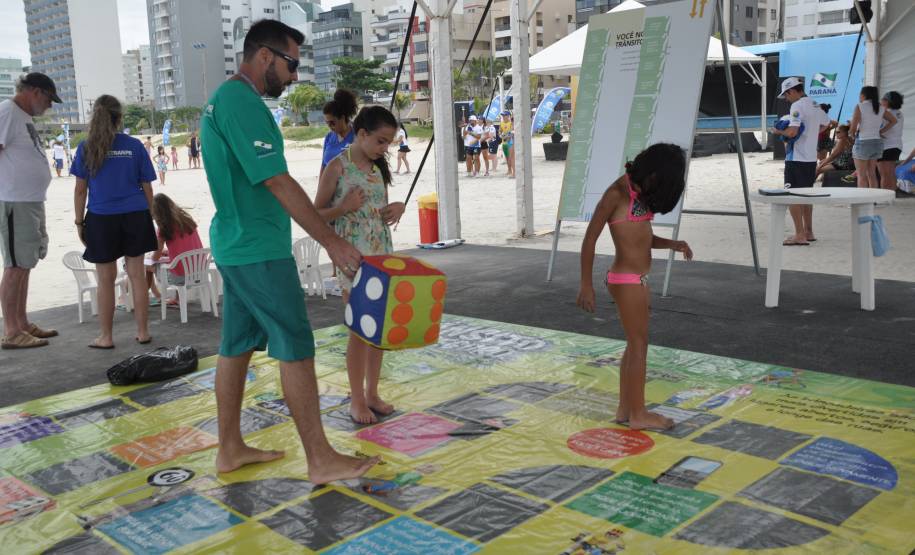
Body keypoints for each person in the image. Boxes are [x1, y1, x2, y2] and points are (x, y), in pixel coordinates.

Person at [200, 18, 376, 481]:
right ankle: (320, 459)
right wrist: (332, 241)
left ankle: (229, 448)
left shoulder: (225, 100)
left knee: (236, 346)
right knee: (296, 346)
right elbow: (278, 180)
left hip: (236, 243)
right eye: (292, 65)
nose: (295, 76)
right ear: (265, 56)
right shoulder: (240, 102)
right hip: (258, 249)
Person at [577, 143, 692, 431]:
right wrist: (585, 285)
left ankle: (626, 409)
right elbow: (589, 239)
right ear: (653, 174)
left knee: (634, 344)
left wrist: (673, 244)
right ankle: (639, 414)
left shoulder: (638, 191)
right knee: (639, 345)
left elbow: (642, 238)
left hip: (636, 279)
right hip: (626, 279)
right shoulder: (616, 194)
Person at [314, 105, 404, 424]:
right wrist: (343, 207)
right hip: (352, 258)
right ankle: (356, 398)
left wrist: (397, 208)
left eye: (388, 143)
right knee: (359, 331)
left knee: (377, 330)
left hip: (381, 255)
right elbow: (314, 214)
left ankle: (372, 393)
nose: (385, 148)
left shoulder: (378, 168)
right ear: (362, 134)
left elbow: (379, 208)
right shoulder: (337, 167)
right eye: (381, 141)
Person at [71, 95, 158, 349]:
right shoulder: (134, 146)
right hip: (135, 213)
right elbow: (147, 186)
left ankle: (106, 337)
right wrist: (150, 215)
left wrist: (79, 222)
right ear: (119, 118)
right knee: (137, 276)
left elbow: (80, 190)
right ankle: (143, 332)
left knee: (105, 279)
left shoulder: (86, 147)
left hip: (101, 217)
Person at [0, 73, 60, 349]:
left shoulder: (21, 116)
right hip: (15, 201)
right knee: (15, 266)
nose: (49, 105)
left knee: (25, 264)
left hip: (30, 201)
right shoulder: (7, 111)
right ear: (35, 92)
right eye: (49, 99)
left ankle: (22, 323)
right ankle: (12, 331)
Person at [771, 77, 830, 245]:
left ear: (791, 91)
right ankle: (808, 231)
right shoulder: (814, 104)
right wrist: (811, 134)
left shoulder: (797, 106)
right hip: (810, 158)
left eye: (786, 95)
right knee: (806, 195)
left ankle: (799, 234)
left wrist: (778, 132)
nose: (786, 99)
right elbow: (827, 123)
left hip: (796, 158)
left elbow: (792, 132)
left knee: (791, 196)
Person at [150, 193, 203, 300]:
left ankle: (156, 296)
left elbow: (155, 257)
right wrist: (168, 252)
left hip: (181, 278)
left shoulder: (164, 228)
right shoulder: (187, 220)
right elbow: (185, 247)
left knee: (148, 266)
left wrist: (151, 256)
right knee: (178, 263)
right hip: (199, 272)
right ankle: (177, 299)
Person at [849, 85, 896, 189]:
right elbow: (893, 121)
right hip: (877, 142)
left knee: (861, 176)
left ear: (863, 95)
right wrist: (880, 131)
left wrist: (850, 134)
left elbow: (853, 129)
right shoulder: (880, 107)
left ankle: (863, 198)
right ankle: (873, 198)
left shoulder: (860, 106)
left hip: (863, 142)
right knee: (872, 174)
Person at [321, 89, 358, 177]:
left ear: (342, 118)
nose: (330, 126)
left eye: (332, 123)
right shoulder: (329, 137)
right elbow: (323, 165)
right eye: (327, 123)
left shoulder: (357, 136)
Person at [878, 91, 904, 191]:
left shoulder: (887, 113)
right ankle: (892, 196)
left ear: (888, 101)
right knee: (891, 173)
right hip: (896, 145)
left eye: (883, 99)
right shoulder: (899, 113)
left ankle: (883, 197)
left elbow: (878, 126)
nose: (881, 101)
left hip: (886, 146)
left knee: (884, 175)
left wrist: (880, 131)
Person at [500, 111, 515, 178]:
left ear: (508, 116)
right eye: (503, 115)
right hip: (504, 142)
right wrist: (501, 135)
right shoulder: (501, 123)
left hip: (510, 142)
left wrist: (505, 136)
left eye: (504, 115)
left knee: (511, 157)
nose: (503, 117)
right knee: (507, 157)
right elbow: (500, 131)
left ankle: (513, 172)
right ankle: (509, 170)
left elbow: (511, 133)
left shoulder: (511, 123)